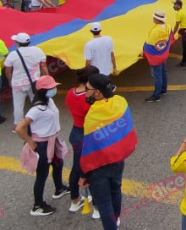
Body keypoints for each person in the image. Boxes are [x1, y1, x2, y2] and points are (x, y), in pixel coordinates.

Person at [80, 74, 138, 230]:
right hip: (118, 160)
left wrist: (83, 174)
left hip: (99, 167)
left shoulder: (93, 114)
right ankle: (116, 220)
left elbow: (88, 148)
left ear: (97, 93)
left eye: (87, 89)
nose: (85, 92)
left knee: (104, 203)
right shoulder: (121, 102)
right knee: (116, 191)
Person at [15, 76, 70, 216]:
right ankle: (37, 206)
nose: (54, 89)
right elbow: (20, 128)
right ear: (43, 91)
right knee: (42, 175)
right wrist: (31, 142)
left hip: (53, 140)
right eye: (51, 87)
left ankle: (59, 189)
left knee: (58, 164)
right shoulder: (37, 109)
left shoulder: (49, 101)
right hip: (42, 144)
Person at [66, 67, 101, 218]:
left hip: (75, 132)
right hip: (89, 135)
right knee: (92, 170)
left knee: (77, 167)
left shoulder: (70, 93)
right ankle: (97, 208)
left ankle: (75, 200)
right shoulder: (89, 99)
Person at [4, 32, 48, 126]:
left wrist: (9, 81)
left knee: (18, 105)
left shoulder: (13, 54)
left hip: (18, 83)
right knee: (36, 102)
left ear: (17, 43)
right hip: (35, 82)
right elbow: (43, 66)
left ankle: (18, 125)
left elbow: (8, 71)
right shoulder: (38, 50)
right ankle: (38, 123)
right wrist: (47, 78)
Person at [144, 10, 171, 103]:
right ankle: (164, 89)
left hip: (156, 56)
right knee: (163, 71)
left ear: (157, 19)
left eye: (154, 17)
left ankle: (156, 95)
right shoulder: (168, 26)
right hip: (163, 53)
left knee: (157, 75)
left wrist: (144, 51)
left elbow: (149, 44)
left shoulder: (156, 30)